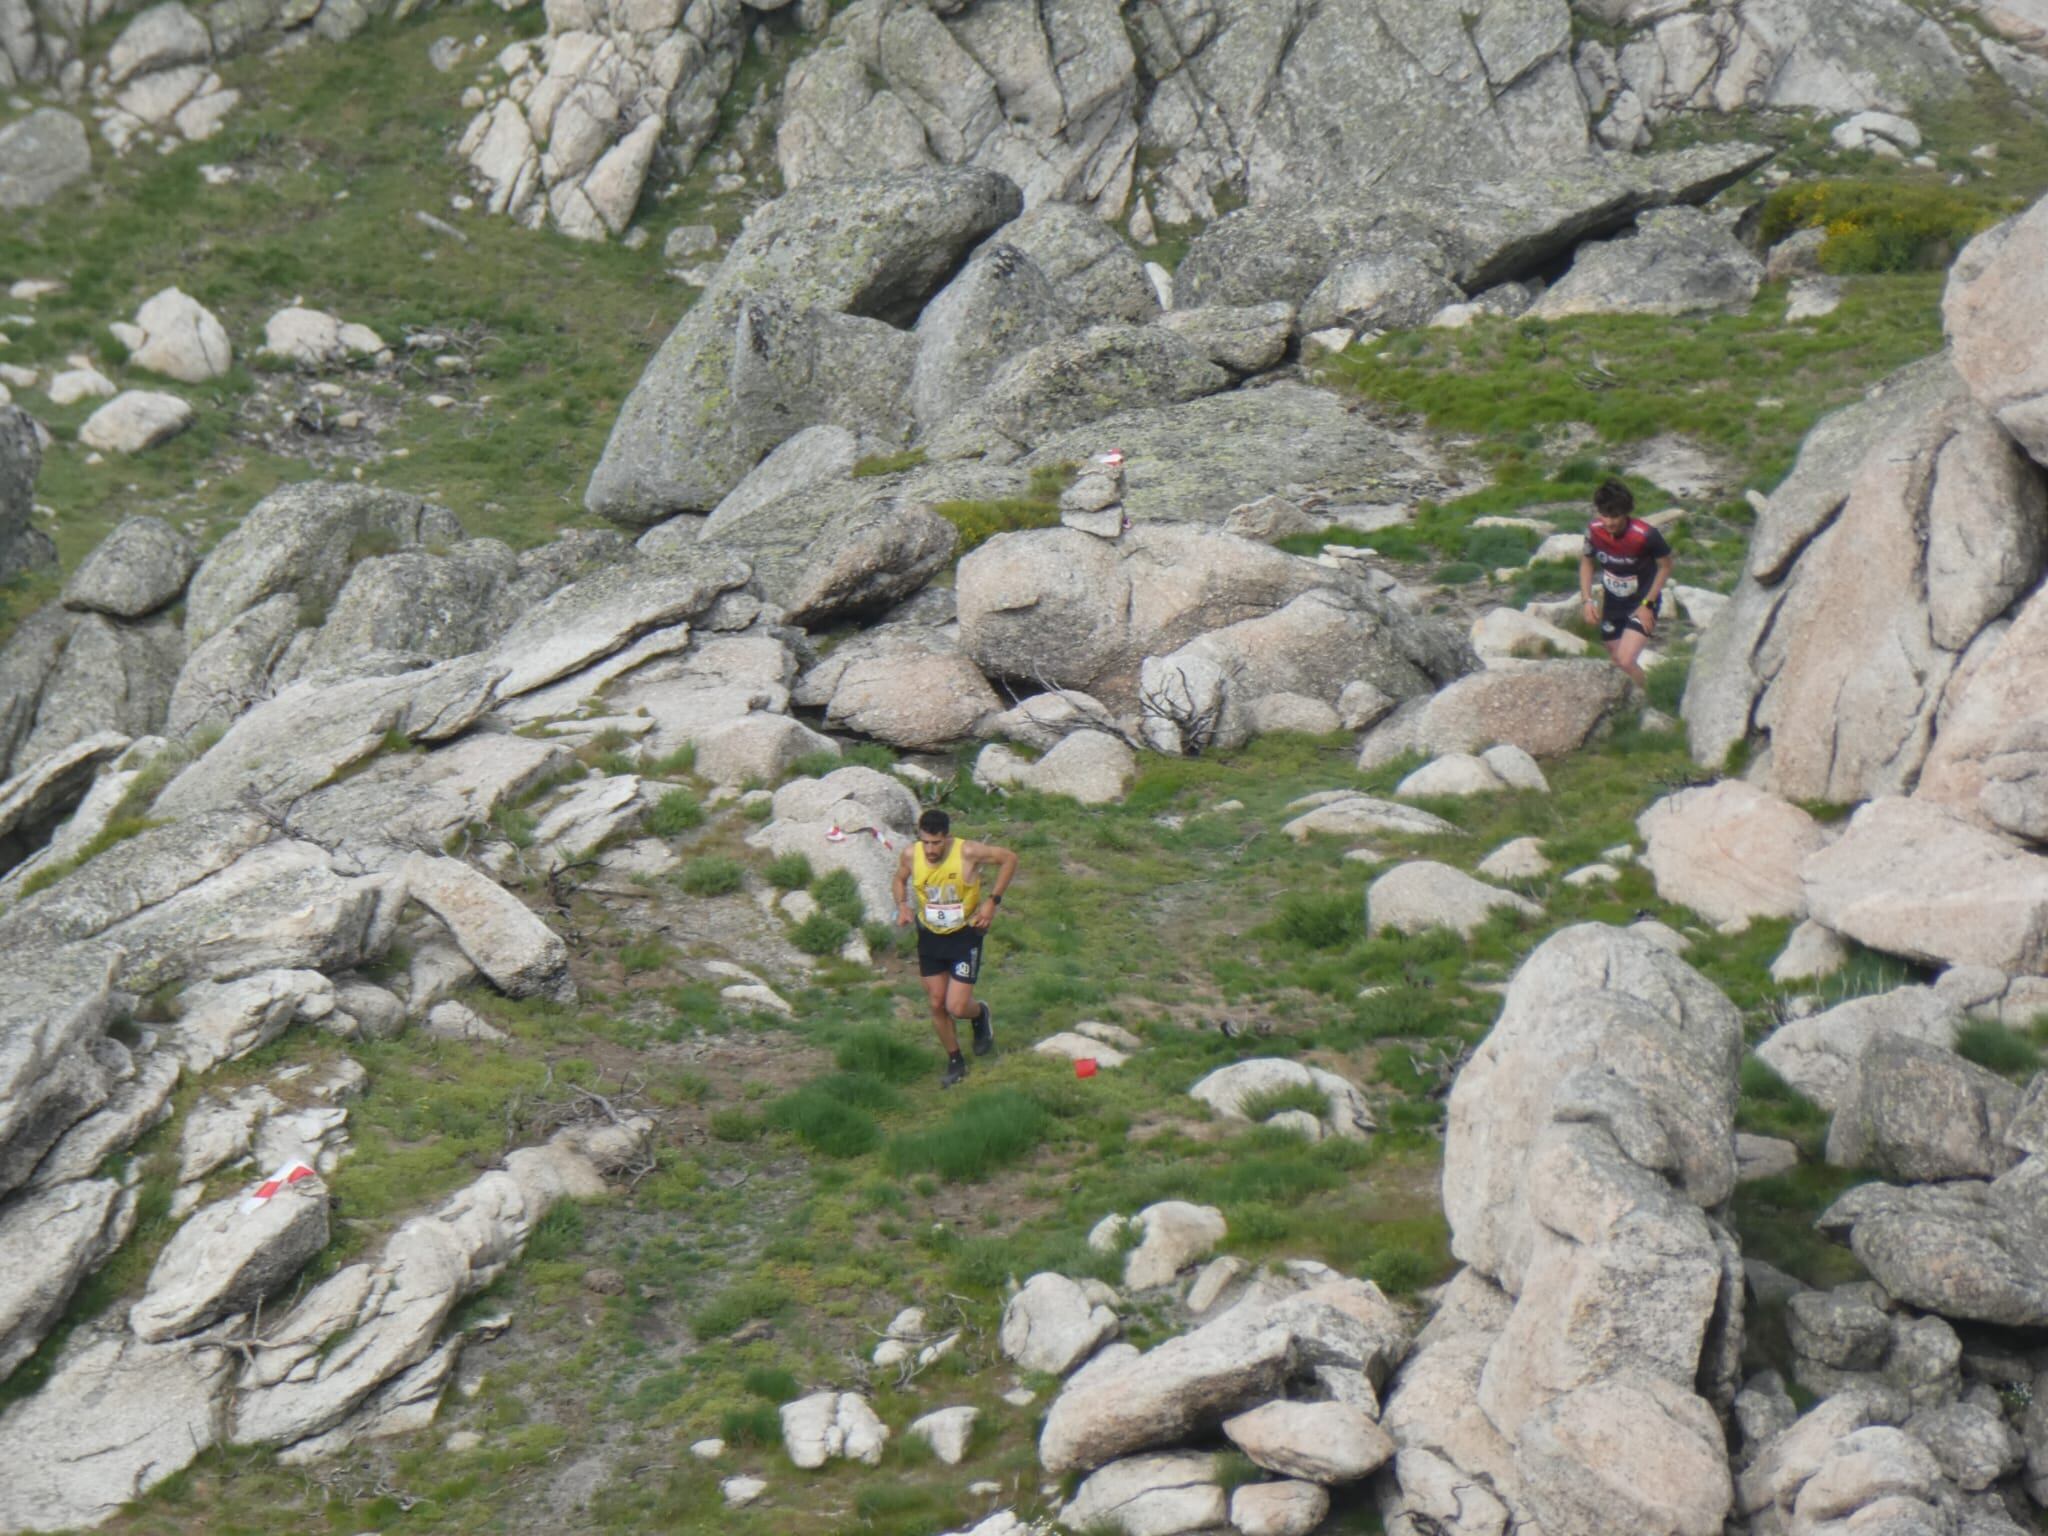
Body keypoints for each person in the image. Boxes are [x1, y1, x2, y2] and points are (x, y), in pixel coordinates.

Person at [893, 808, 1018, 1087]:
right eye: (925, 842)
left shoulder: (968, 852)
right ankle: (955, 1060)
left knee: (957, 1006)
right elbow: (899, 879)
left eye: (936, 843)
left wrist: (992, 902)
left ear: (947, 838)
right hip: (930, 936)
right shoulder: (911, 855)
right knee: (937, 1002)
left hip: (964, 934)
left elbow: (1010, 859)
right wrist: (902, 905)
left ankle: (980, 1013)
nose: (930, 850)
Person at [1579, 479, 1674, 689]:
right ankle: (1630, 700)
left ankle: (1648, 704)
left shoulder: (1645, 535)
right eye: (1604, 515)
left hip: (1641, 603)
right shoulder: (1593, 531)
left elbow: (1666, 566)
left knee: (1626, 661)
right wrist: (1587, 600)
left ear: (1626, 512)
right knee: (1617, 661)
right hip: (1613, 605)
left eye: (1615, 516)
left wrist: (1647, 604)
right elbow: (1587, 562)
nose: (1610, 522)